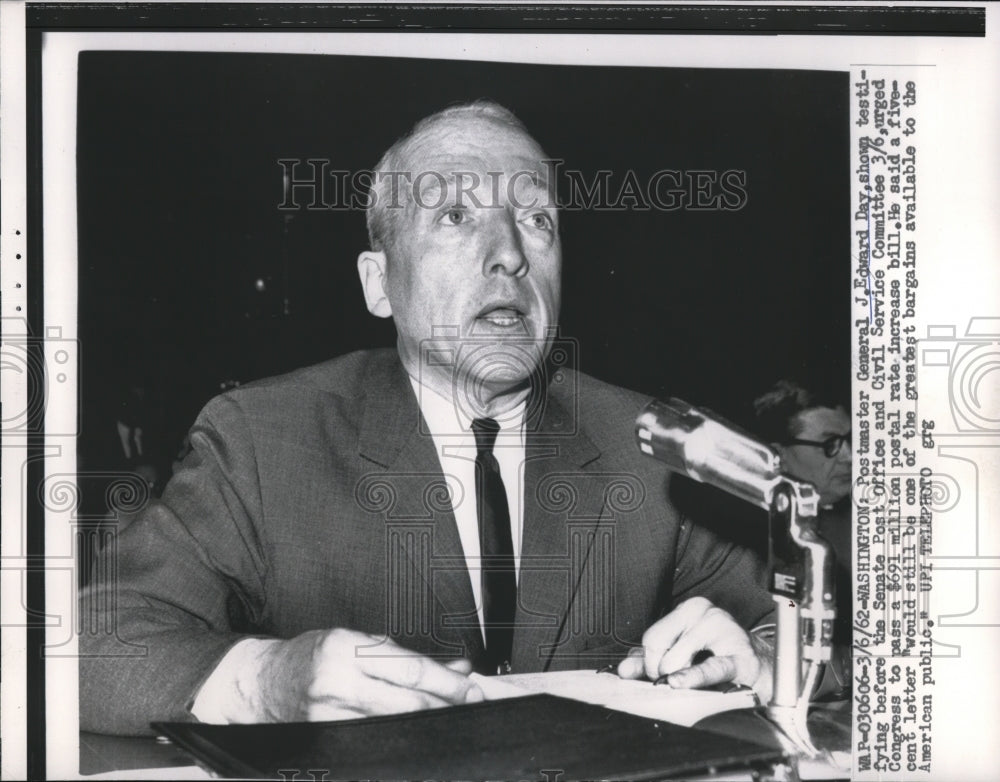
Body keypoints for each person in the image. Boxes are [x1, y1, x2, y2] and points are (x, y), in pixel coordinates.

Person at [80, 100, 777, 735]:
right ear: (378, 284)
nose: (509, 255)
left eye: (538, 221)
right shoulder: (263, 443)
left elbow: (811, 628)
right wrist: (264, 683)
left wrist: (761, 661)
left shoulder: (649, 447)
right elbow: (91, 642)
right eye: (455, 216)